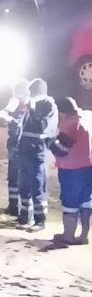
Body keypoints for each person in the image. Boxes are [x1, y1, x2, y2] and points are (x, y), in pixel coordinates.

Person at [16, 77, 58, 230]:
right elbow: (22, 126)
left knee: (37, 185)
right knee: (24, 185)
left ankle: (40, 220)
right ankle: (24, 217)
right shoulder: (31, 104)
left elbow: (42, 126)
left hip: (37, 150)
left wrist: (32, 108)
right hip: (24, 149)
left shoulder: (48, 105)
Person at [50, 97, 92, 245]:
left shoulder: (69, 124)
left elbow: (62, 149)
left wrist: (49, 141)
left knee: (70, 203)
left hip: (71, 170)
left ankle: (68, 235)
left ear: (61, 111)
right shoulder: (84, 119)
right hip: (87, 168)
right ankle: (84, 235)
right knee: (85, 202)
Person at [0, 79, 30, 218]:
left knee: (22, 179)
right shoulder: (15, 103)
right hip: (13, 146)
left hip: (24, 149)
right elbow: (4, 115)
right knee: (13, 178)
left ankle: (22, 210)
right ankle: (13, 206)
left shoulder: (30, 107)